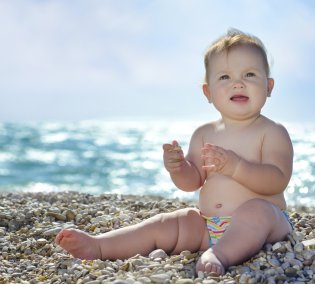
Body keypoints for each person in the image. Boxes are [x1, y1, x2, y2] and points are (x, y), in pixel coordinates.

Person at [55, 29, 294, 276]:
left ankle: (220, 254)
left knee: (257, 211)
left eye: (250, 74)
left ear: (268, 86)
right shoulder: (204, 133)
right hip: (209, 226)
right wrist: (179, 169)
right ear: (208, 93)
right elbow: (192, 183)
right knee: (170, 222)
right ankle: (101, 246)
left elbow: (277, 180)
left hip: (265, 227)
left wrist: (237, 167)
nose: (238, 83)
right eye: (224, 77)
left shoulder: (272, 132)